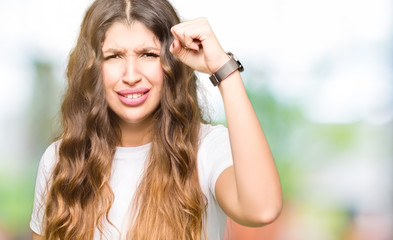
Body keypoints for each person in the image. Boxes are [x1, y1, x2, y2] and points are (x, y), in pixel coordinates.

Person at [30, 0, 282, 239]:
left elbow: (262, 209)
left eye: (148, 54)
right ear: (94, 68)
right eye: (114, 56)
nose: (131, 76)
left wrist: (224, 70)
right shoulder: (60, 161)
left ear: (171, 62)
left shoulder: (206, 149)